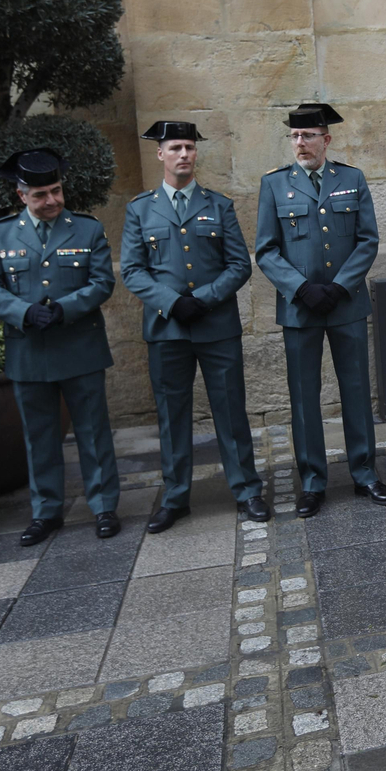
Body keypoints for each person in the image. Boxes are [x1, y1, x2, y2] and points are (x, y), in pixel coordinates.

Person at [121, 122, 267, 533]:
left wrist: (201, 299)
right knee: (171, 414)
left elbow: (240, 264)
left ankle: (247, 491)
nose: (184, 154)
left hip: (216, 325)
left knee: (230, 410)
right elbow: (132, 270)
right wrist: (172, 303)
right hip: (166, 330)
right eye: (175, 148)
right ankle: (174, 497)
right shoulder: (140, 209)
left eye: (189, 147)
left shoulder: (218, 205)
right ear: (160, 154)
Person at [0, 149, 121, 545]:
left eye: (56, 191)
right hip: (29, 350)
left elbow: (102, 282)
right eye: (40, 195)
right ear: (22, 196)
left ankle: (105, 505)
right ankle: (46, 512)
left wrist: (64, 309)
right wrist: (24, 313)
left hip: (79, 346)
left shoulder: (87, 229)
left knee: (93, 433)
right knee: (38, 436)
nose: (52, 200)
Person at [255, 103, 386, 517]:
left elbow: (367, 240)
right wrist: (300, 289)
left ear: (326, 139)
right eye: (295, 137)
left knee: (356, 392)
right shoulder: (275, 185)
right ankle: (313, 482)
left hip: (345, 304)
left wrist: (339, 286)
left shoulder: (350, 178)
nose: (301, 143)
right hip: (300, 310)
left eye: (309, 136)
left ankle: (365, 473)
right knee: (304, 398)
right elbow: (266, 249)